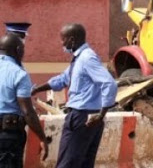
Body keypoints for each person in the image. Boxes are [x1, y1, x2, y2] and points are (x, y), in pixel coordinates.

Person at [31, 23, 118, 168]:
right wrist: (37, 89)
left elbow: (110, 83)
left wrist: (102, 114)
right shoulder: (79, 59)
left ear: (72, 39)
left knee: (67, 163)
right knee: (83, 164)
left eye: (63, 39)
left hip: (81, 117)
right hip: (87, 117)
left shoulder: (87, 58)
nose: (62, 43)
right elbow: (63, 79)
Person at [0, 34, 48, 167]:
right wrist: (42, 138)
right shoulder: (18, 73)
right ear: (18, 50)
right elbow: (27, 112)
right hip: (8, 137)